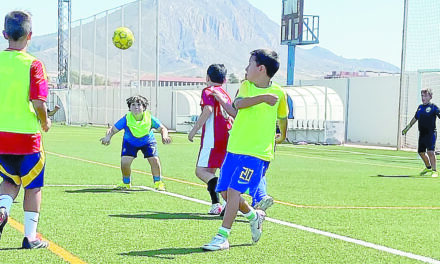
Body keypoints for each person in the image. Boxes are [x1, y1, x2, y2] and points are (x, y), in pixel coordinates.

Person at [202, 49, 288, 251]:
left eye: (249, 64)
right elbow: (238, 104)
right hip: (234, 149)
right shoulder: (246, 86)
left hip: (257, 154)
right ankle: (253, 215)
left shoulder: (279, 93)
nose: (245, 68)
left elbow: (283, 117)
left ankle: (222, 237)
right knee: (223, 191)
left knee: (233, 192)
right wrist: (262, 98)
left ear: (261, 68)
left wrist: (282, 135)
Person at [0, 10, 51, 249]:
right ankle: (30, 237)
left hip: (1, 136)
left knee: (9, 181)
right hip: (27, 138)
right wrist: (45, 121)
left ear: (4, 34)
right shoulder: (34, 64)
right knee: (33, 185)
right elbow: (39, 103)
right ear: (30, 36)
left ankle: (2, 209)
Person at [213, 82, 274, 212]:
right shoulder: (269, 93)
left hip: (245, 144)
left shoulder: (246, 91)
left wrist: (221, 100)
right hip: (263, 142)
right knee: (258, 173)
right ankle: (260, 198)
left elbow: (234, 111)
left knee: (234, 178)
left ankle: (249, 205)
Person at [188, 64, 233, 215]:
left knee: (201, 171)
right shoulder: (224, 93)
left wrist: (194, 130)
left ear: (207, 77)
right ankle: (216, 205)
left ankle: (228, 199)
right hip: (226, 137)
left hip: (212, 138)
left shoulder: (208, 91)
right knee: (211, 171)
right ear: (225, 79)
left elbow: (208, 110)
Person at [100, 95, 171, 190]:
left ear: (144, 107)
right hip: (130, 142)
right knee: (124, 162)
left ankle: (158, 182)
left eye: (139, 104)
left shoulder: (150, 118)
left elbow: (162, 128)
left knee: (154, 160)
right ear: (129, 107)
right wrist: (107, 137)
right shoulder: (126, 119)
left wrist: (164, 136)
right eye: (133, 105)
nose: (136, 107)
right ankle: (126, 183)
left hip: (148, 142)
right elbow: (112, 129)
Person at [402, 88, 440, 178]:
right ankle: (428, 167)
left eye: (425, 95)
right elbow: (415, 118)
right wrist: (407, 128)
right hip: (422, 134)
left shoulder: (434, 107)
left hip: (431, 133)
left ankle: (435, 171)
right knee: (421, 152)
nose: (423, 97)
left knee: (430, 152)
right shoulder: (420, 108)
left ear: (430, 97)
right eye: (422, 96)